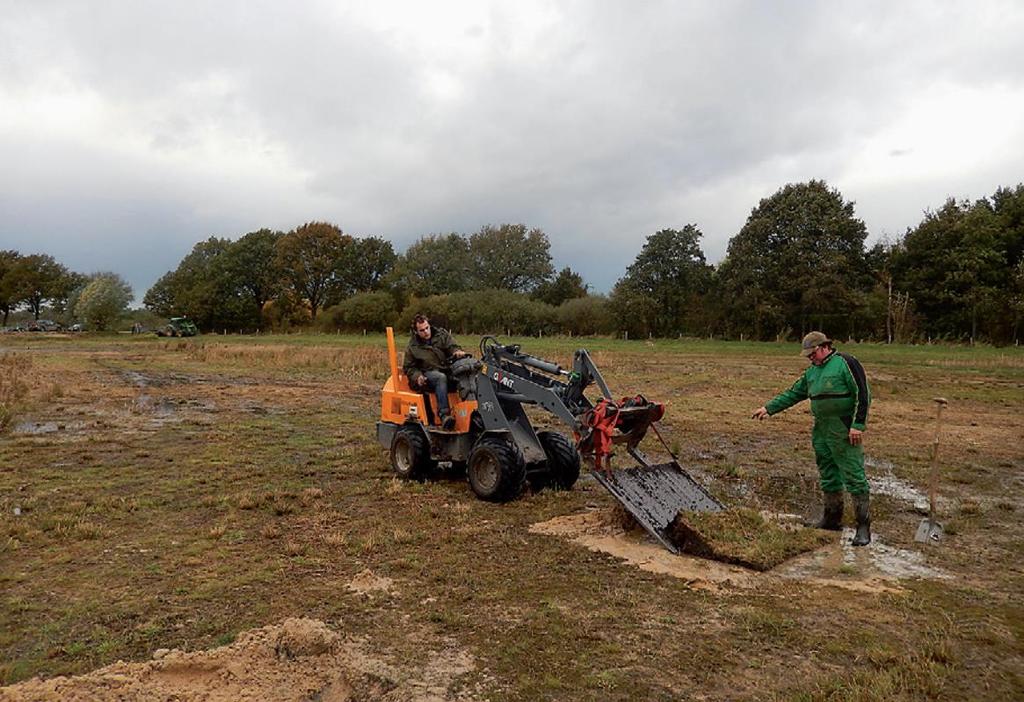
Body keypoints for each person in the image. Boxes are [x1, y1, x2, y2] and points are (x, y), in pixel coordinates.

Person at [752, 331, 873, 546]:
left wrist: (857, 425)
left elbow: (862, 393)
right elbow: (794, 393)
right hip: (821, 429)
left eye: (813, 353)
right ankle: (832, 518)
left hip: (843, 427)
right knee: (827, 471)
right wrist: (769, 408)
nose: (810, 357)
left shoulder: (846, 363)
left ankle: (863, 527)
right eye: (808, 355)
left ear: (824, 347)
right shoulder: (811, 372)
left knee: (853, 474)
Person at [403, 314, 466, 430]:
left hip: (446, 370)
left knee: (466, 375)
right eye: (422, 330)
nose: (426, 332)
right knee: (440, 378)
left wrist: (457, 351)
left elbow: (451, 346)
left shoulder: (441, 335)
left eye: (427, 328)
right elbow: (409, 367)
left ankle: (469, 412)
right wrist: (418, 377)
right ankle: (444, 415)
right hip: (427, 374)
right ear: (416, 331)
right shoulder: (413, 347)